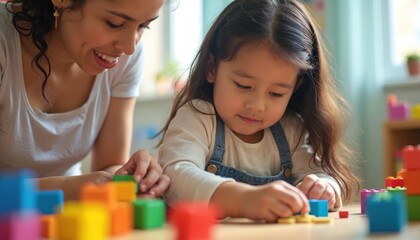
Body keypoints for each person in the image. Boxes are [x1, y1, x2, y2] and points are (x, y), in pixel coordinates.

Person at [157, 0, 360, 222]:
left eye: (276, 94)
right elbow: (175, 177)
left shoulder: (291, 129)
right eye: (243, 85)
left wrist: (325, 187)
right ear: (211, 68)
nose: (257, 106)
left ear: (294, 89)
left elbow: (324, 175)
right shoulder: (198, 118)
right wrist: (244, 200)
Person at [0, 0, 169, 200]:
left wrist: (132, 180)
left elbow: (110, 165)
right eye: (114, 23)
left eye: (143, 26)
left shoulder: (125, 59)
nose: (129, 47)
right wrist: (64, 188)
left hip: (69, 219)